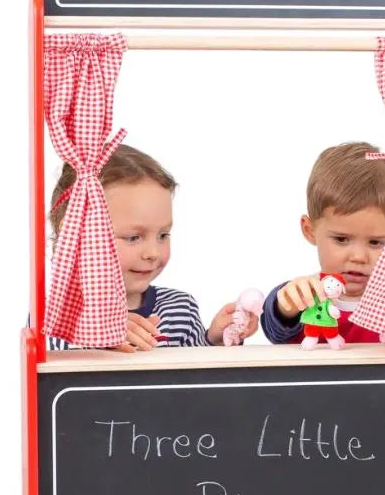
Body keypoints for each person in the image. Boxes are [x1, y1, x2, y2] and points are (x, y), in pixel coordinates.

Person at [48, 144, 257, 351]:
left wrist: (215, 341)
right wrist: (102, 331)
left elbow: (195, 377)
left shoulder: (180, 309)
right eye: (133, 237)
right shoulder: (57, 314)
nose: (153, 253)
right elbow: (53, 370)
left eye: (163, 235)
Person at [260, 141, 385, 348]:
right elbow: (274, 329)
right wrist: (286, 305)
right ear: (310, 231)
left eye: (376, 242)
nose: (359, 257)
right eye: (342, 239)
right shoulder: (305, 294)